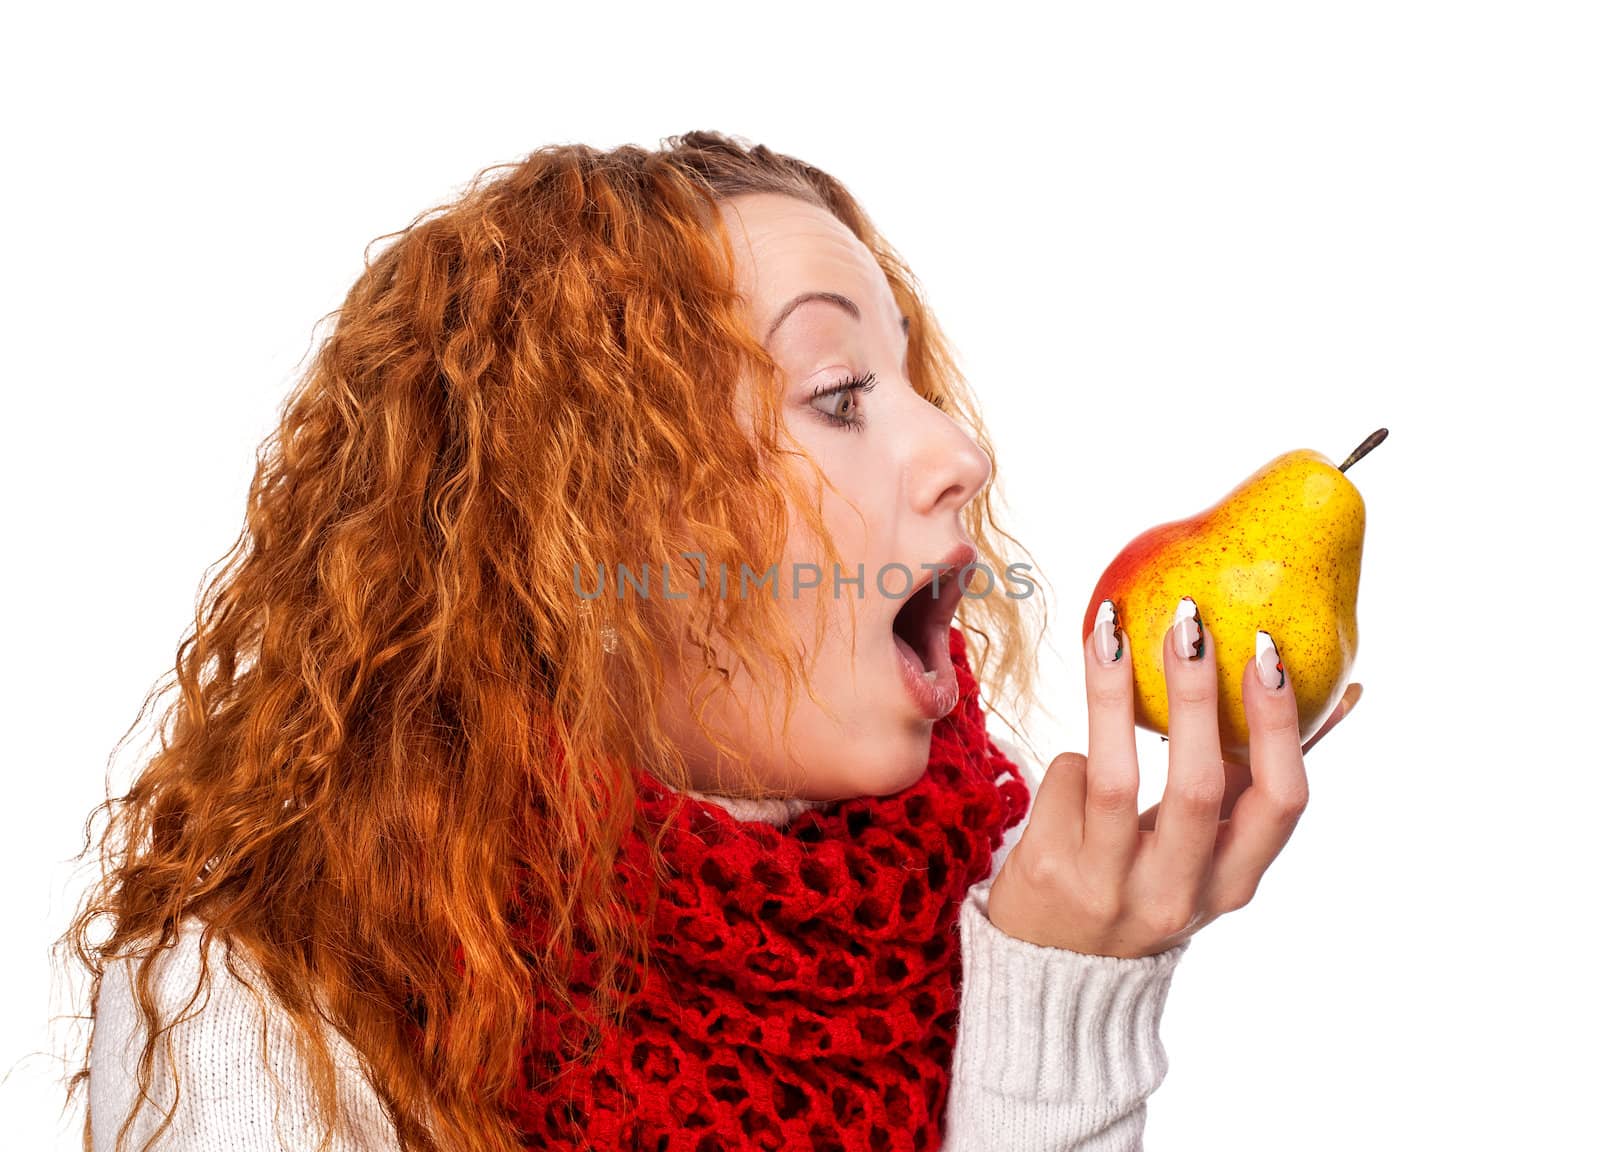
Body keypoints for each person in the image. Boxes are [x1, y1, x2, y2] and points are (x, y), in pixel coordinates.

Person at [62, 130, 1358, 1152]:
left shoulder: (1010, 907)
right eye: (843, 395)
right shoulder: (267, 999)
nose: (961, 453)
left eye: (914, 384)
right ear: (590, 518)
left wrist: (1068, 998)